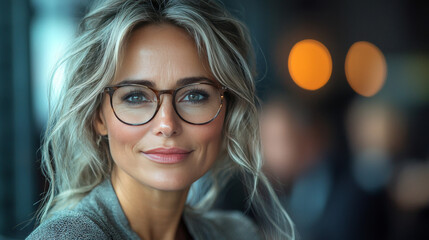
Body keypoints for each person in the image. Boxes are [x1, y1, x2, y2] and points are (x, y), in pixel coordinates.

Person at [27, 0, 296, 239]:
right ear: (98, 116)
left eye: (194, 96)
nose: (167, 125)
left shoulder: (237, 233)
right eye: (135, 97)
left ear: (228, 111)